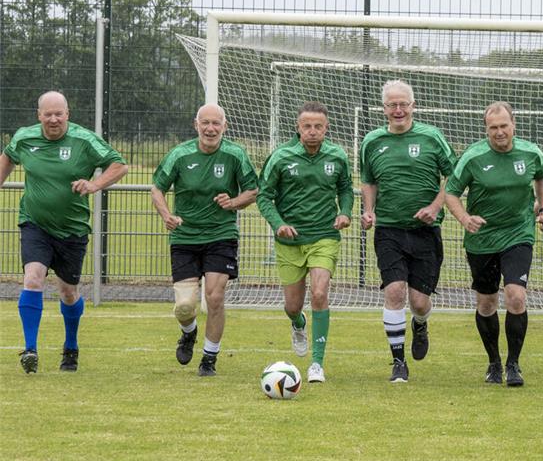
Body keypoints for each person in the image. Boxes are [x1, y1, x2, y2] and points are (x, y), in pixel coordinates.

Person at [0, 91, 128, 374]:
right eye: (48, 114)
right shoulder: (24, 138)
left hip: (72, 229)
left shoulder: (84, 140)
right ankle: (30, 349)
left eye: (59, 114)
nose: (54, 119)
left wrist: (94, 185)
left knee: (68, 293)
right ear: (39, 115)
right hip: (35, 223)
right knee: (32, 278)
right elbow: (8, 157)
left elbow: (120, 165)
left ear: (68, 114)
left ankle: (71, 346)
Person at [444, 101, 543, 387]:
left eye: (504, 126)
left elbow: (542, 179)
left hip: (518, 234)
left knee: (516, 296)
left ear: (513, 125)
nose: (499, 132)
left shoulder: (531, 152)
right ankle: (494, 362)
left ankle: (513, 364)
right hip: (482, 240)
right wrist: (465, 218)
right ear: (486, 129)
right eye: (493, 128)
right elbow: (451, 193)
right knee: (487, 303)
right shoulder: (473, 157)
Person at [149, 104, 259, 376]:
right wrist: (167, 215)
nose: (210, 129)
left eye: (216, 123)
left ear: (225, 126)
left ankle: (209, 358)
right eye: (205, 123)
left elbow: (253, 190)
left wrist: (233, 202)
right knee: (185, 307)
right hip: (185, 236)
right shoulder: (180, 154)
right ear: (196, 125)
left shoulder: (235, 154)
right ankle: (189, 332)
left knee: (215, 296)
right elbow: (157, 188)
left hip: (221, 235)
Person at [360, 80, 455, 383]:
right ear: (384, 108)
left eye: (403, 104)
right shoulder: (372, 141)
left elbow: (454, 176)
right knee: (394, 291)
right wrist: (368, 209)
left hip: (425, 231)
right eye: (392, 105)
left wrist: (435, 207)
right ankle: (398, 362)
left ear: (413, 106)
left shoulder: (432, 137)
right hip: (389, 229)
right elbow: (368, 180)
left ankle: (421, 323)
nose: (398, 109)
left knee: (419, 302)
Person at [257, 102, 354, 383]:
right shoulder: (281, 156)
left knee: (320, 293)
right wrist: (279, 224)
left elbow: (346, 189)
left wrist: (345, 212)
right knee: (292, 306)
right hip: (290, 240)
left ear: (326, 128)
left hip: (324, 236)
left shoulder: (337, 155)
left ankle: (317, 364)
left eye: (318, 126)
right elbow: (264, 196)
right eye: (307, 126)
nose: (312, 131)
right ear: (298, 128)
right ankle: (298, 324)